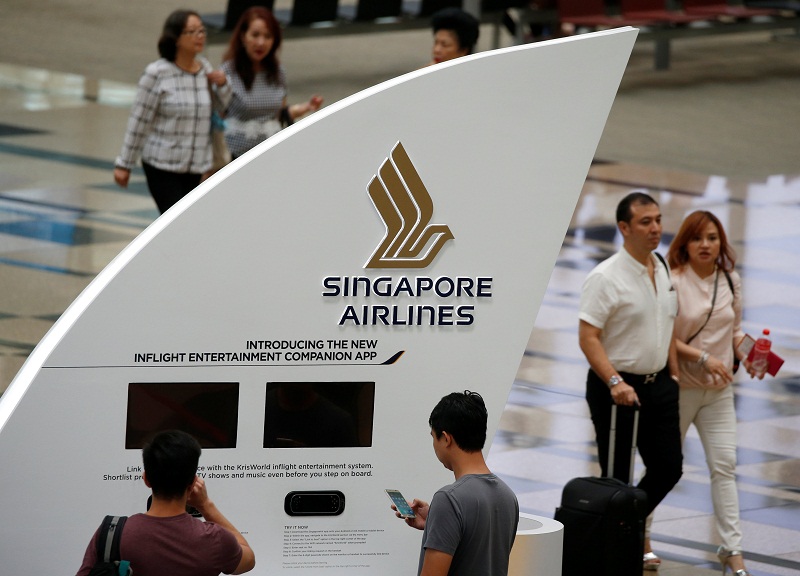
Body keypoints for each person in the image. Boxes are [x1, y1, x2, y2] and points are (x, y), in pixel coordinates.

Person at [578, 191, 683, 571]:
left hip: (659, 386)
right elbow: (588, 336)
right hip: (617, 389)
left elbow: (667, 320)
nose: (656, 228)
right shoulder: (605, 277)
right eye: (645, 222)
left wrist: (671, 370)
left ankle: (627, 524)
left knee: (669, 467)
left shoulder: (661, 264)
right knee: (617, 476)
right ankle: (615, 545)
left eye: (657, 220)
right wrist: (615, 381)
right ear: (624, 228)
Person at [667, 211, 753, 576]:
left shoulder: (731, 281)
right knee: (665, 468)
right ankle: (644, 538)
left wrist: (750, 353)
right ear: (685, 243)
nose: (706, 245)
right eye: (698, 238)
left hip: (719, 393)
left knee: (725, 468)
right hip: (681, 389)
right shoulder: (672, 281)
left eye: (713, 238)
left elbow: (734, 331)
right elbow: (665, 338)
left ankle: (733, 551)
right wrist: (703, 357)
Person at [75, 430, 255, 576]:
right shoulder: (215, 539)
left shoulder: (111, 533)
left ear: (146, 479)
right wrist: (206, 504)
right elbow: (248, 559)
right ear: (193, 484)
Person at [113, 10, 231, 214]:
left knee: (187, 223)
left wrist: (223, 85)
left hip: (196, 166)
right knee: (176, 220)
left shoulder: (205, 69)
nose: (200, 36)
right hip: (162, 165)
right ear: (176, 38)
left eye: (202, 31)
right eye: (192, 32)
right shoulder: (157, 73)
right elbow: (139, 121)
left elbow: (221, 109)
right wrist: (124, 164)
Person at [392, 390, 519, 576]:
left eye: (433, 437)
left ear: (446, 438)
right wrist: (434, 522)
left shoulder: (449, 500)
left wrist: (443, 514)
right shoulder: (508, 497)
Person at [220, 7, 322, 159]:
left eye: (268, 36)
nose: (261, 42)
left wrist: (306, 107)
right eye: (255, 35)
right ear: (243, 36)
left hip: (271, 154)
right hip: (236, 158)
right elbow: (218, 117)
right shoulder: (227, 71)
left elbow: (279, 114)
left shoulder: (278, 72)